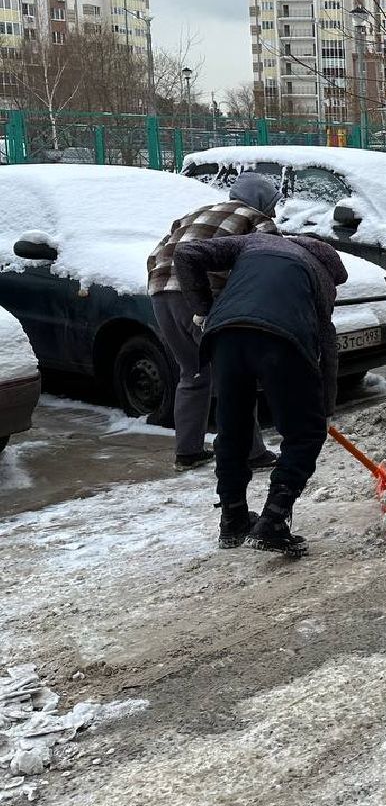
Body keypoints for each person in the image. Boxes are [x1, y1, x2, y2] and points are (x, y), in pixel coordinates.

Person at [173, 232, 348, 558]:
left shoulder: (253, 242)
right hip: (280, 339)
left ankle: (233, 518)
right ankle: (273, 520)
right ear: (329, 263)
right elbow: (326, 340)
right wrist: (323, 407)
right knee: (304, 433)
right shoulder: (320, 274)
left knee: (233, 430)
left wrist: (205, 309)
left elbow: (186, 254)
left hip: (224, 336)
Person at [146, 172, 282, 471]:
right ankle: (252, 453)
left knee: (192, 374)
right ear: (262, 201)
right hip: (198, 297)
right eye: (272, 203)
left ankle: (188, 452)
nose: (273, 210)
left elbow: (156, 254)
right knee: (235, 375)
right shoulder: (256, 219)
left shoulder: (195, 213)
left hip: (159, 293)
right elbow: (270, 262)